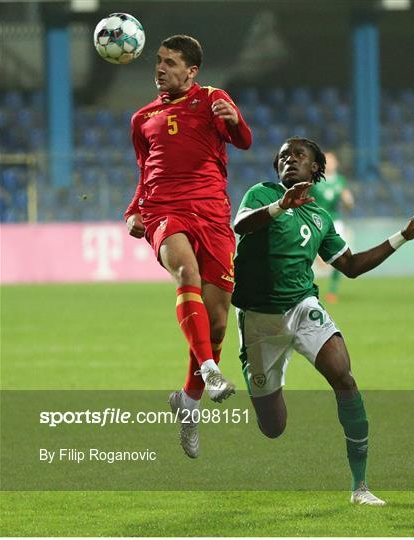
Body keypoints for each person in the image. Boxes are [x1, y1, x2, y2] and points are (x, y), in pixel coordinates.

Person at [232, 136, 414, 505]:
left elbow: (351, 266)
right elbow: (241, 226)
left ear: (315, 167)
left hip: (301, 306)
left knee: (344, 376)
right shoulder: (261, 195)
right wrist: (280, 206)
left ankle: (360, 487)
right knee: (273, 427)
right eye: (282, 157)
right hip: (258, 321)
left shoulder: (320, 217)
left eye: (298, 155)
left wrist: (403, 236)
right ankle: (261, 376)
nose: (289, 160)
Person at [125, 35, 252, 459]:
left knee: (217, 322)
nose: (160, 68)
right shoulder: (142, 117)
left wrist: (233, 119)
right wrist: (135, 209)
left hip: (213, 214)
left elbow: (244, 141)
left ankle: (189, 402)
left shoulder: (213, 98)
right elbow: (146, 171)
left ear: (191, 71)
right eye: (158, 61)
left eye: (171, 62)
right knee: (186, 273)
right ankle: (211, 370)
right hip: (166, 210)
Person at [311, 151, 354, 303]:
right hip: (316, 220)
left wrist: (348, 201)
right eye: (326, 161)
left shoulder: (340, 181)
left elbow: (348, 201)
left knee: (342, 255)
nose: (329, 163)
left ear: (336, 163)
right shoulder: (315, 180)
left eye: (332, 160)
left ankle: (332, 291)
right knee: (307, 254)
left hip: (334, 221)